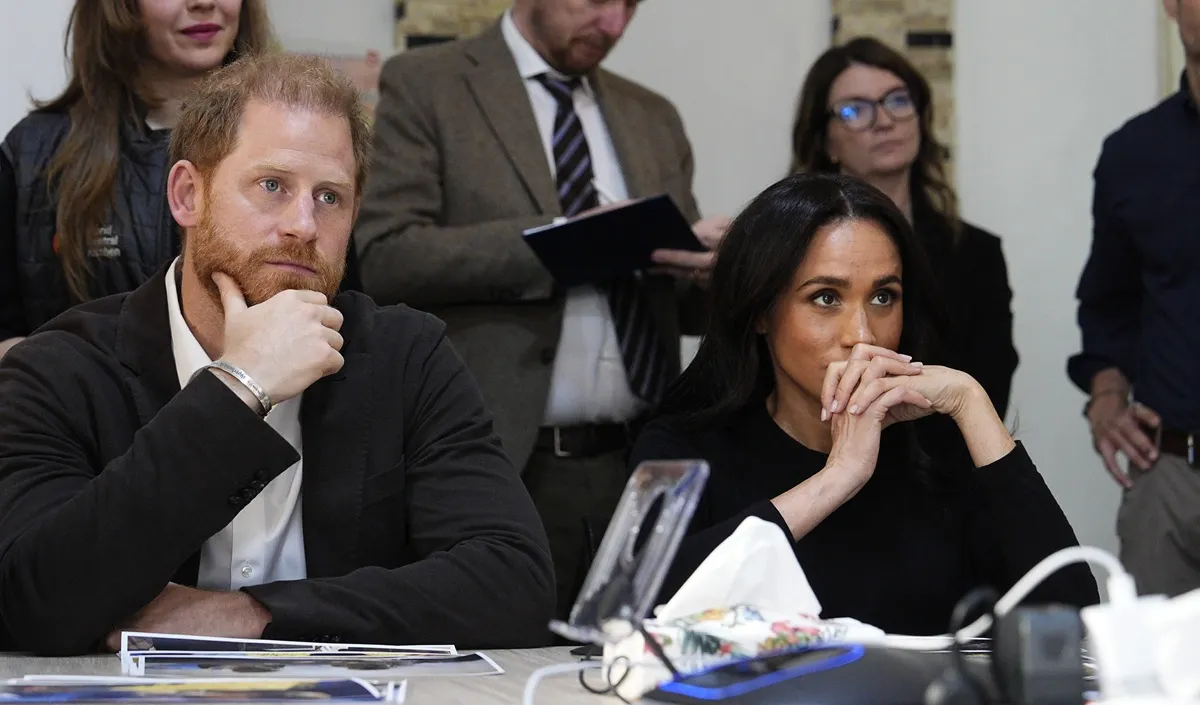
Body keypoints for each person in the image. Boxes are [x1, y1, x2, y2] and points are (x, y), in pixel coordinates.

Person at [0, 52, 553, 656]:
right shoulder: (58, 368)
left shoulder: (406, 355)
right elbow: (31, 600)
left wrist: (254, 615)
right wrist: (239, 388)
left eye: (330, 198)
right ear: (187, 194)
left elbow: (513, 583)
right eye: (272, 186)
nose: (303, 226)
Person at [354, 0, 731, 621]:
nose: (613, 25)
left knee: (641, 664)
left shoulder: (652, 114)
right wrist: (564, 241)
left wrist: (719, 271)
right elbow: (389, 255)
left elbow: (685, 310)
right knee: (505, 658)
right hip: (502, 460)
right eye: (597, 2)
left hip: (644, 464)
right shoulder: (430, 84)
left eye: (630, 7)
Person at [630, 173, 1098, 636]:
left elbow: (1071, 620)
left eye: (882, 296)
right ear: (759, 313)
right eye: (826, 297)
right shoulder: (684, 447)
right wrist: (840, 476)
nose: (862, 334)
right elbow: (636, 608)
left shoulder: (939, 445)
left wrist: (972, 402)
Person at [0, 0, 361, 360]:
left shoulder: (311, 150)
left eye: (326, 197)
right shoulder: (33, 154)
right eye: (271, 185)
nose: (203, 3)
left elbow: (344, 318)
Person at [791, 37, 1018, 418]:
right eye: (854, 110)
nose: (884, 121)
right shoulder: (791, 245)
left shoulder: (976, 253)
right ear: (825, 139)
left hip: (945, 465)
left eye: (897, 100)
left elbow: (986, 393)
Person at [1069, 0, 1200, 597]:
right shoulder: (1133, 153)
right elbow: (1109, 304)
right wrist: (1107, 393)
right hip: (1170, 472)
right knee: (1154, 686)